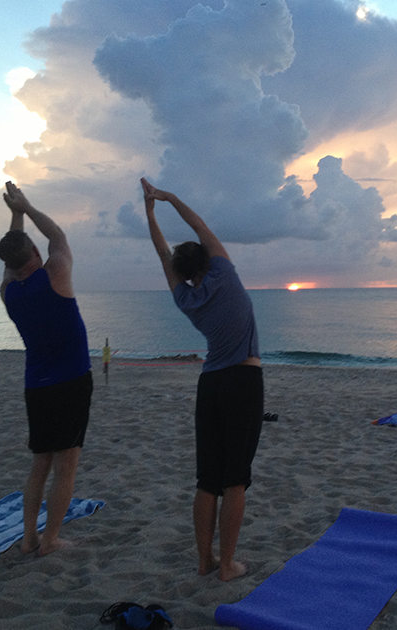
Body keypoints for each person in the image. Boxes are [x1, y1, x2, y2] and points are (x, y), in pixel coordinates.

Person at [141, 177, 263, 582]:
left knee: (207, 479)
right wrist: (167, 197)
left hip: (209, 385)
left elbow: (163, 254)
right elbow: (199, 226)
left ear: (183, 272)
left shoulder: (186, 298)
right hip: (243, 382)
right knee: (235, 480)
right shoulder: (224, 274)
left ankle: (204, 560)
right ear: (209, 260)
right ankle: (227, 565)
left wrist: (149, 213)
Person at [0, 181, 93, 557]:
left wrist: (16, 214)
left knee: (40, 464)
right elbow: (58, 235)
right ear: (34, 251)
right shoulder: (56, 272)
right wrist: (27, 206)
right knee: (66, 464)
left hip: (36, 386)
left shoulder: (9, 293)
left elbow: (14, 260)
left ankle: (28, 538)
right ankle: (50, 540)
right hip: (70, 382)